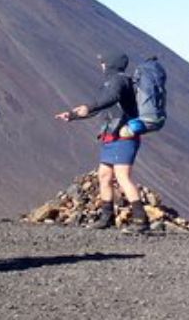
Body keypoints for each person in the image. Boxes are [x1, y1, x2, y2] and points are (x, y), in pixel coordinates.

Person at [55, 50, 149, 234]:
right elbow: (103, 107)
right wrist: (73, 115)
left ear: (111, 64)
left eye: (104, 62)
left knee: (122, 177)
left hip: (124, 137)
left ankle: (140, 219)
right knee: (104, 176)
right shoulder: (112, 83)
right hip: (111, 136)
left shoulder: (119, 81)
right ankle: (107, 217)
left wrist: (88, 107)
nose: (102, 65)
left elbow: (108, 100)